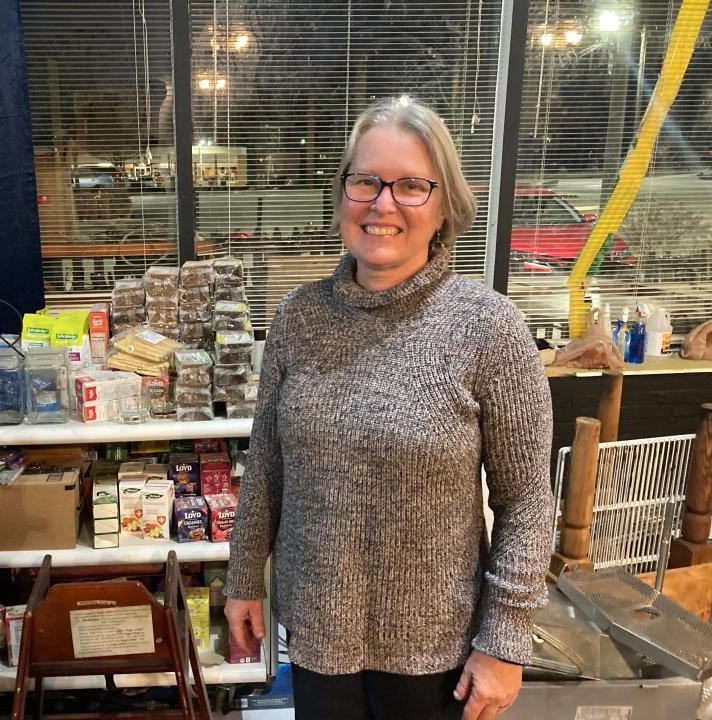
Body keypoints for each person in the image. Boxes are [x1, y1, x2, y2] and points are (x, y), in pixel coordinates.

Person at [224, 97, 554, 720]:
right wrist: (243, 578)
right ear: (343, 193)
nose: (382, 204)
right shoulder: (299, 317)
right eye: (365, 181)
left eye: (410, 186)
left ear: (444, 207)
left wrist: (506, 640)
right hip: (319, 640)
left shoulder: (489, 328)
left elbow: (527, 500)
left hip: (435, 659)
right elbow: (266, 465)